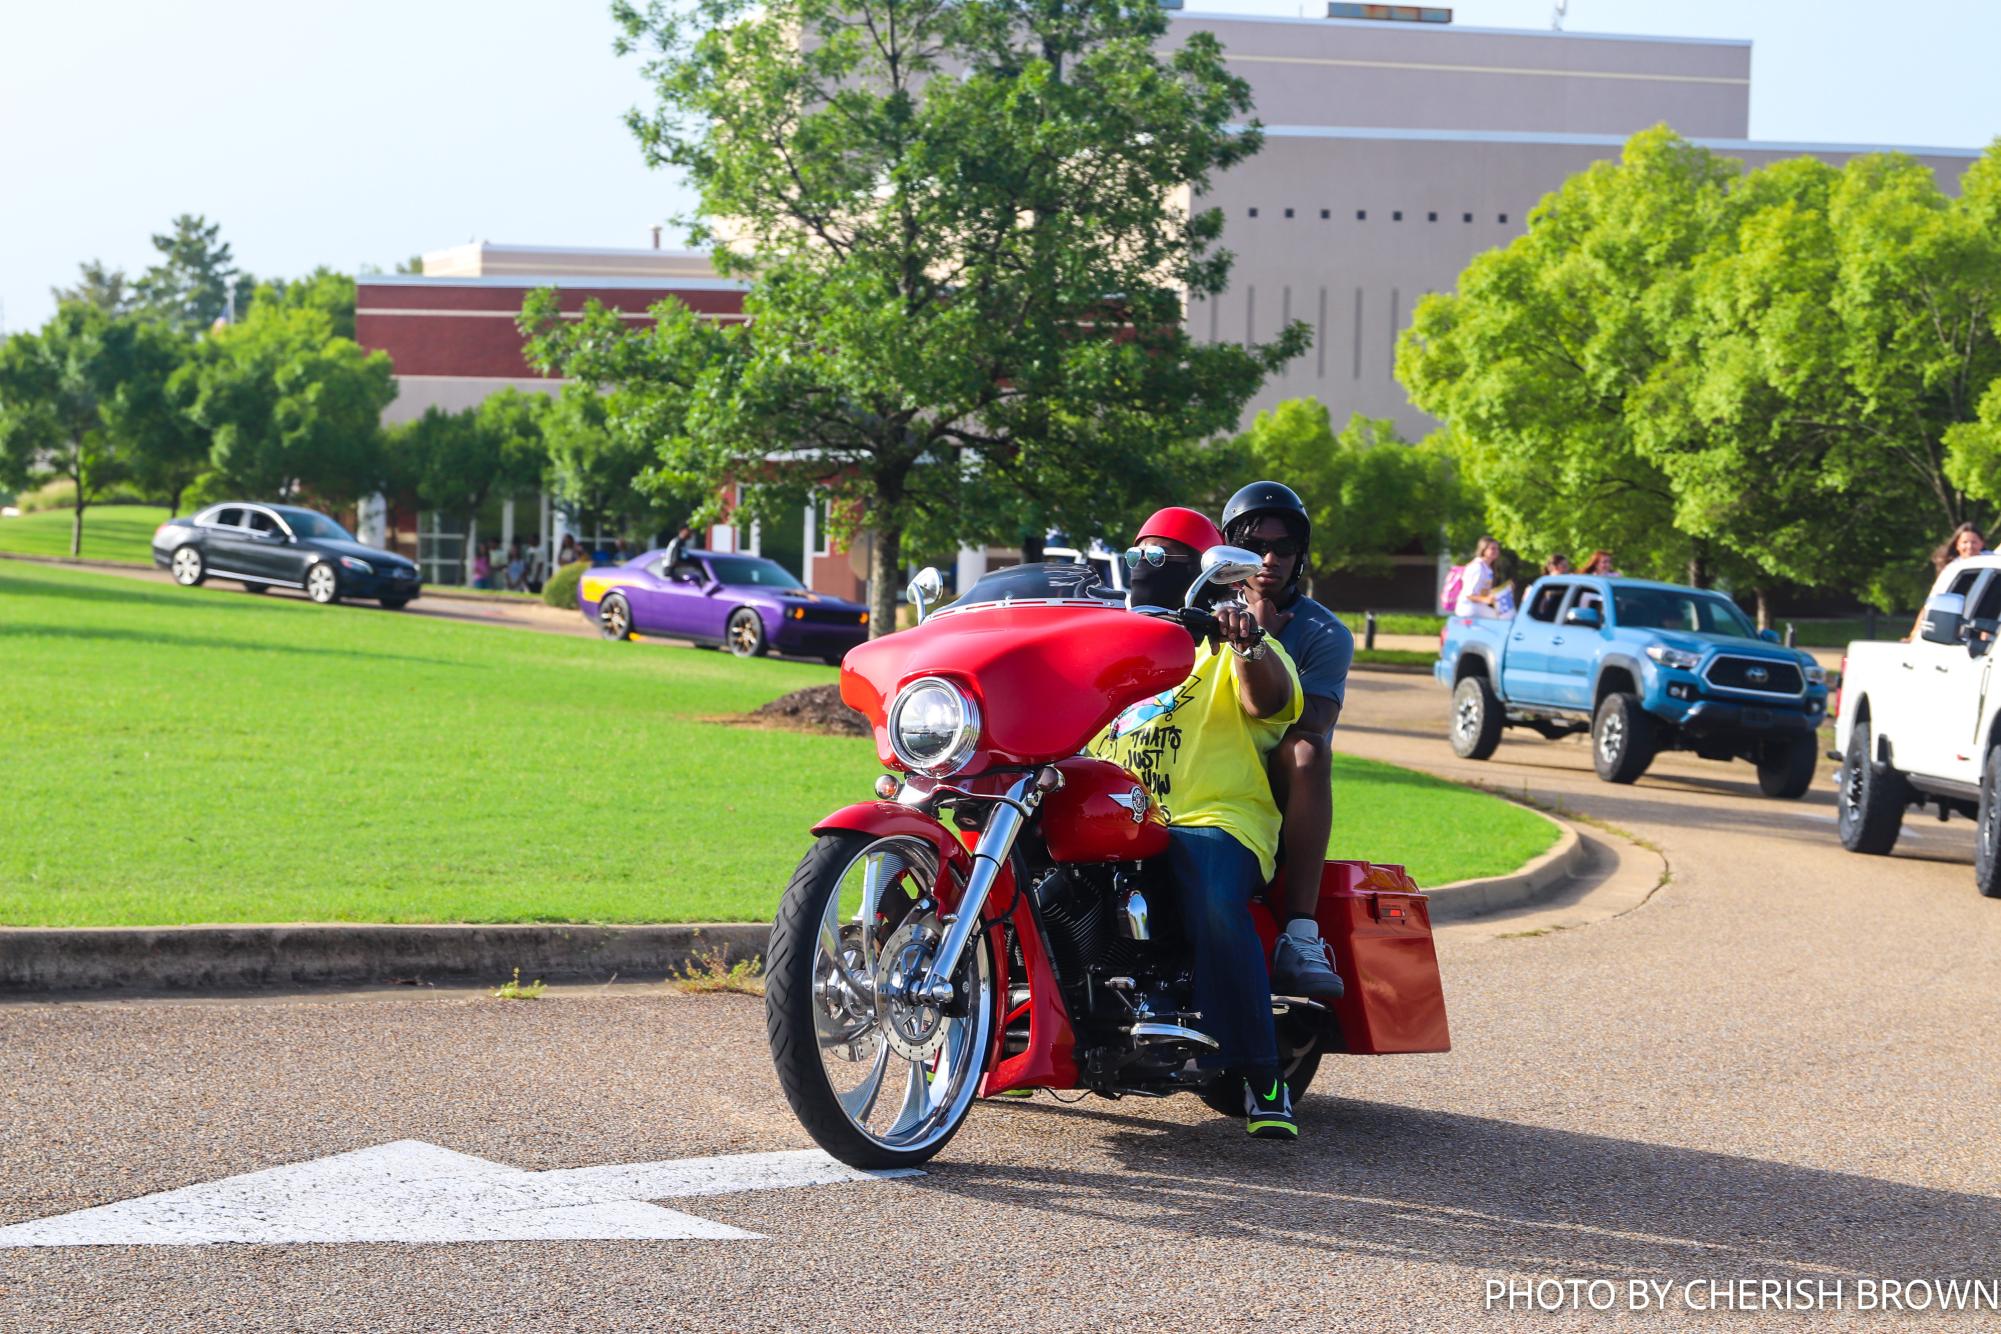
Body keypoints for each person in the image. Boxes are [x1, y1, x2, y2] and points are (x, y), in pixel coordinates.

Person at [1089, 506, 1305, 1140]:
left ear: (1213, 576)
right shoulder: (1110, 651)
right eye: (1139, 559)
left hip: (1213, 815)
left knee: (1214, 895)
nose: (1145, 572)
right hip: (1114, 816)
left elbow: (1269, 700)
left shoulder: (1234, 645)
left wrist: (1245, 641)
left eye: (1165, 561)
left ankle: (1262, 1076)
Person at [1220, 481, 1350, 1002]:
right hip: (1192, 763)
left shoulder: (1325, 632)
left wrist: (1261, 643)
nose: (1269, 558)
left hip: (1266, 776)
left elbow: (1312, 720)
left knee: (1308, 752)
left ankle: (1299, 933)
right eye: (1254, 546)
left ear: (1300, 557)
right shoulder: (1194, 607)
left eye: (1284, 548)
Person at [1454, 536, 1503, 617]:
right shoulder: (1477, 567)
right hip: (1468, 608)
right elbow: (1469, 595)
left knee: (1502, 616)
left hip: (1477, 607)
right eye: (1493, 548)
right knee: (1500, 618)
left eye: (1497, 548)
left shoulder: (1487, 568)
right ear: (1483, 550)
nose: (1496, 551)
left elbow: (1482, 592)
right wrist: (1486, 599)